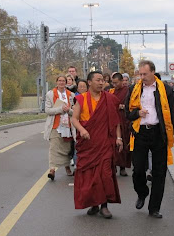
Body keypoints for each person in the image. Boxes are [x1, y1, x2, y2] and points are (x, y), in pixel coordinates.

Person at [125, 60, 174, 218]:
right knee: (138, 169)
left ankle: (154, 208)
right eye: (140, 74)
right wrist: (137, 113)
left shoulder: (165, 89)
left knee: (159, 172)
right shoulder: (134, 89)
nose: (142, 77)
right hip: (140, 132)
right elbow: (127, 114)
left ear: (153, 72)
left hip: (159, 132)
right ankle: (142, 192)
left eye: (145, 74)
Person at [71, 71, 123, 219]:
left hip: (105, 143)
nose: (101, 83)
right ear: (89, 82)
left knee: (105, 174)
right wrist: (82, 130)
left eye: (103, 80)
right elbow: (74, 119)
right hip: (88, 144)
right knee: (90, 176)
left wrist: (119, 138)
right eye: (98, 80)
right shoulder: (80, 99)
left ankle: (104, 205)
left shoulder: (109, 99)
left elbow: (115, 121)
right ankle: (94, 204)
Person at [44, 75, 76, 180]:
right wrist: (60, 109)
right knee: (53, 147)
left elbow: (74, 112)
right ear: (56, 82)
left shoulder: (71, 95)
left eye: (63, 81)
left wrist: (68, 110)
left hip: (67, 126)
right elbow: (48, 110)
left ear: (66, 83)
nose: (61, 83)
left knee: (66, 149)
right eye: (60, 81)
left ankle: (67, 167)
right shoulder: (50, 94)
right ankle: (52, 170)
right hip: (55, 125)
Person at [110, 72, 131, 176]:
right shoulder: (111, 91)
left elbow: (132, 104)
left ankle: (122, 167)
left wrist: (123, 106)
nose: (114, 85)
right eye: (113, 83)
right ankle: (113, 166)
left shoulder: (127, 91)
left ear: (122, 81)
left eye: (116, 83)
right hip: (113, 119)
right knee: (112, 144)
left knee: (124, 142)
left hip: (124, 119)